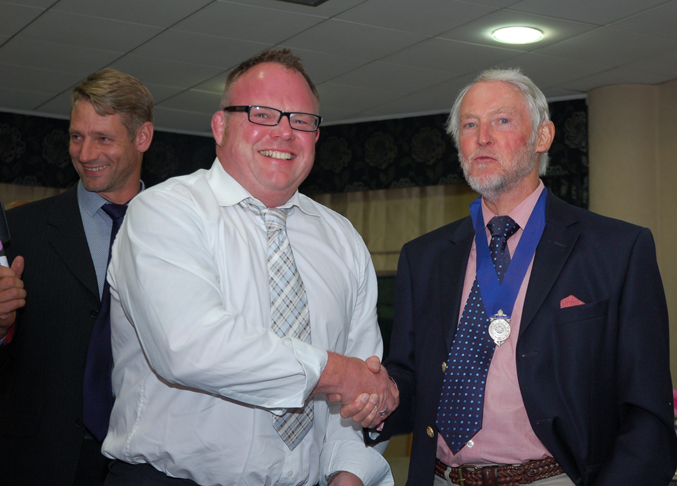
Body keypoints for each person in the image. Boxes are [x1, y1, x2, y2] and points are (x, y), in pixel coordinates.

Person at [360, 68, 677, 485]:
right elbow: (412, 382)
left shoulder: (616, 249)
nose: (482, 137)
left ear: (542, 136)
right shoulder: (424, 258)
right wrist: (380, 397)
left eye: (502, 120)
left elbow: (647, 413)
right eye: (469, 125)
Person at [102, 48, 397, 486]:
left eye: (301, 120)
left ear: (316, 136)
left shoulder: (342, 239)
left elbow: (360, 393)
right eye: (262, 114)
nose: (284, 132)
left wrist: (349, 474)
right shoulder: (164, 212)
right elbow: (190, 346)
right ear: (220, 127)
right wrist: (335, 372)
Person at [0, 69, 155, 486]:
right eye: (76, 136)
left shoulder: (182, 234)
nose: (85, 153)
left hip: (148, 460)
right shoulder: (21, 232)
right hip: (38, 460)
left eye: (103, 138)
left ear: (142, 137)